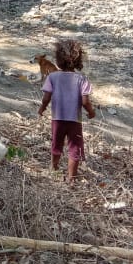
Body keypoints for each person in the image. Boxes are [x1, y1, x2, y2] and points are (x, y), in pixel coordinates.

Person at [37, 40, 95, 181]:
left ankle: (54, 168)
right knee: (74, 148)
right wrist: (91, 112)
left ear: (58, 60)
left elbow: (46, 98)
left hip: (57, 119)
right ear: (78, 60)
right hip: (75, 120)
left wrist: (42, 109)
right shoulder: (82, 79)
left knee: (56, 144)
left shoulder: (53, 77)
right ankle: (72, 178)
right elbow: (85, 101)